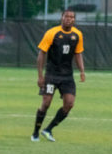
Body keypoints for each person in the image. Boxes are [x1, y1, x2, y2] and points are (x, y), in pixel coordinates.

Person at [31, 9, 86, 142]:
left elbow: (78, 54)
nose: (69, 19)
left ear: (74, 20)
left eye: (72, 17)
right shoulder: (52, 33)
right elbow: (41, 53)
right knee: (46, 103)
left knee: (69, 104)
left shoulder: (77, 35)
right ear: (61, 18)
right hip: (51, 75)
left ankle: (48, 129)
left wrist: (82, 71)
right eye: (66, 16)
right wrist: (40, 75)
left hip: (67, 76)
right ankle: (35, 133)